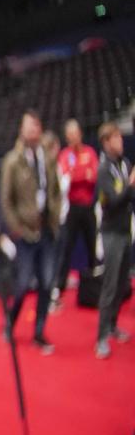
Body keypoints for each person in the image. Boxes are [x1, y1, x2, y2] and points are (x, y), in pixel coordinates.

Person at [0, 110, 61, 354]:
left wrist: (55, 214)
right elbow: (6, 200)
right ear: (21, 131)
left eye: (36, 126)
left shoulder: (47, 157)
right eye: (28, 127)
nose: (32, 131)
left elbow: (55, 189)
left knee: (47, 282)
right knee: (23, 284)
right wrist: (16, 228)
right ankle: (10, 323)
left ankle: (39, 331)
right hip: (25, 233)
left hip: (47, 230)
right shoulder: (12, 161)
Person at [93, 122, 135, 359]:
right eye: (116, 138)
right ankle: (100, 338)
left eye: (120, 137)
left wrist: (130, 188)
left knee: (122, 285)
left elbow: (129, 198)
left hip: (126, 231)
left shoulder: (124, 164)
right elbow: (112, 201)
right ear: (106, 142)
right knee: (109, 287)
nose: (121, 141)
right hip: (111, 234)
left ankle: (112, 325)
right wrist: (130, 185)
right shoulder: (103, 170)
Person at [55, 118, 99, 299]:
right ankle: (59, 287)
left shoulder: (90, 152)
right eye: (69, 135)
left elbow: (94, 176)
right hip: (71, 209)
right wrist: (82, 174)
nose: (72, 138)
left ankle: (96, 282)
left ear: (80, 134)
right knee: (66, 248)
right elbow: (65, 178)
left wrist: (77, 173)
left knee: (92, 247)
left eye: (74, 134)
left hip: (88, 207)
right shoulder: (64, 155)